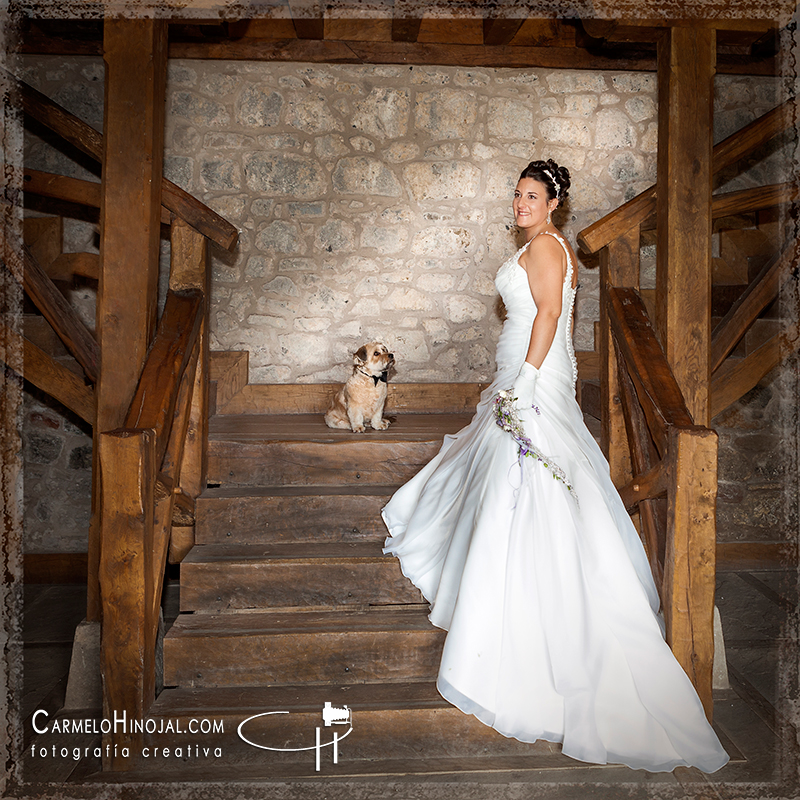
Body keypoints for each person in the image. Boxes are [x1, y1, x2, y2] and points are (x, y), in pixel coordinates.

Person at [382, 159, 729, 773]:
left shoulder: (545, 248)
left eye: (531, 196)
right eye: (516, 194)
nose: (520, 203)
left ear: (553, 205)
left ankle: (521, 607)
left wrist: (525, 383)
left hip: (535, 373)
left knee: (530, 479)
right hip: (532, 367)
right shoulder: (551, 246)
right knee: (512, 472)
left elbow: (545, 316)